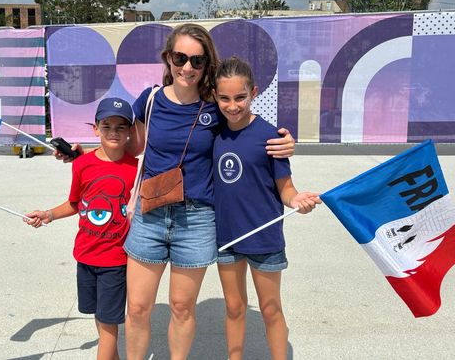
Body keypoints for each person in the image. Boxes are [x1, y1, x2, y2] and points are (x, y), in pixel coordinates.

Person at [122, 23, 297, 360]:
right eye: (180, 57)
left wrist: (287, 141)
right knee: (138, 308)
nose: (187, 67)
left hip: (197, 218)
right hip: (152, 213)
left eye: (197, 61)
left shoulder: (215, 107)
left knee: (181, 307)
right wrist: (80, 153)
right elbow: (132, 148)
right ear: (168, 57)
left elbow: (249, 128)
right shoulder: (150, 100)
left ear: (207, 65)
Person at [212, 57, 322, 360]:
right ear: (215, 96)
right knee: (234, 308)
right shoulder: (213, 134)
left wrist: (298, 201)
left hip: (265, 238)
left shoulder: (270, 137)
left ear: (254, 93)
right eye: (224, 98)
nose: (232, 105)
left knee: (271, 308)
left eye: (240, 97)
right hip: (227, 239)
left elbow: (286, 188)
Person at [23, 97, 138, 360]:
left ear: (131, 132)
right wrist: (49, 214)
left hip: (116, 260)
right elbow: (76, 203)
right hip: (85, 256)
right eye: (106, 126)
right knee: (100, 318)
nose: (113, 132)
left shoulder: (136, 168)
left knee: (109, 326)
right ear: (95, 129)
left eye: (121, 127)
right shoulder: (82, 164)